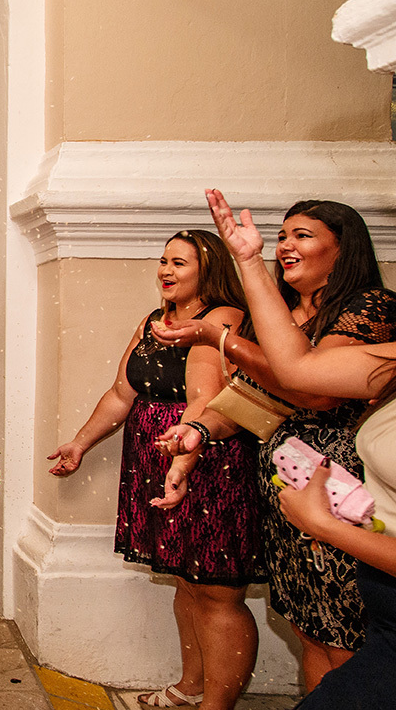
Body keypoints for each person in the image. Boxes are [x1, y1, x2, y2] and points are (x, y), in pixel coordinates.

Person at [154, 199, 396, 692]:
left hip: (343, 498)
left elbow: (312, 389)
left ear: (343, 247)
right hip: (288, 497)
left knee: (346, 637)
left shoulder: (370, 306)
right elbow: (254, 398)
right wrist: (198, 432)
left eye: (302, 235)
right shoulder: (281, 316)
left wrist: (220, 338)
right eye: (282, 235)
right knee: (309, 629)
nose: (285, 245)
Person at [46, 229, 262, 709]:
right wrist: (80, 443)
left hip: (207, 464)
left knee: (217, 591)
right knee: (185, 579)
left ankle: (217, 704)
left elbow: (205, 400)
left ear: (209, 270)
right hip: (153, 461)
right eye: (163, 260)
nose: (165, 270)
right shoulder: (153, 321)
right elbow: (122, 393)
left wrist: (182, 460)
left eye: (179, 263)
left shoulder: (221, 319)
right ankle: (191, 686)